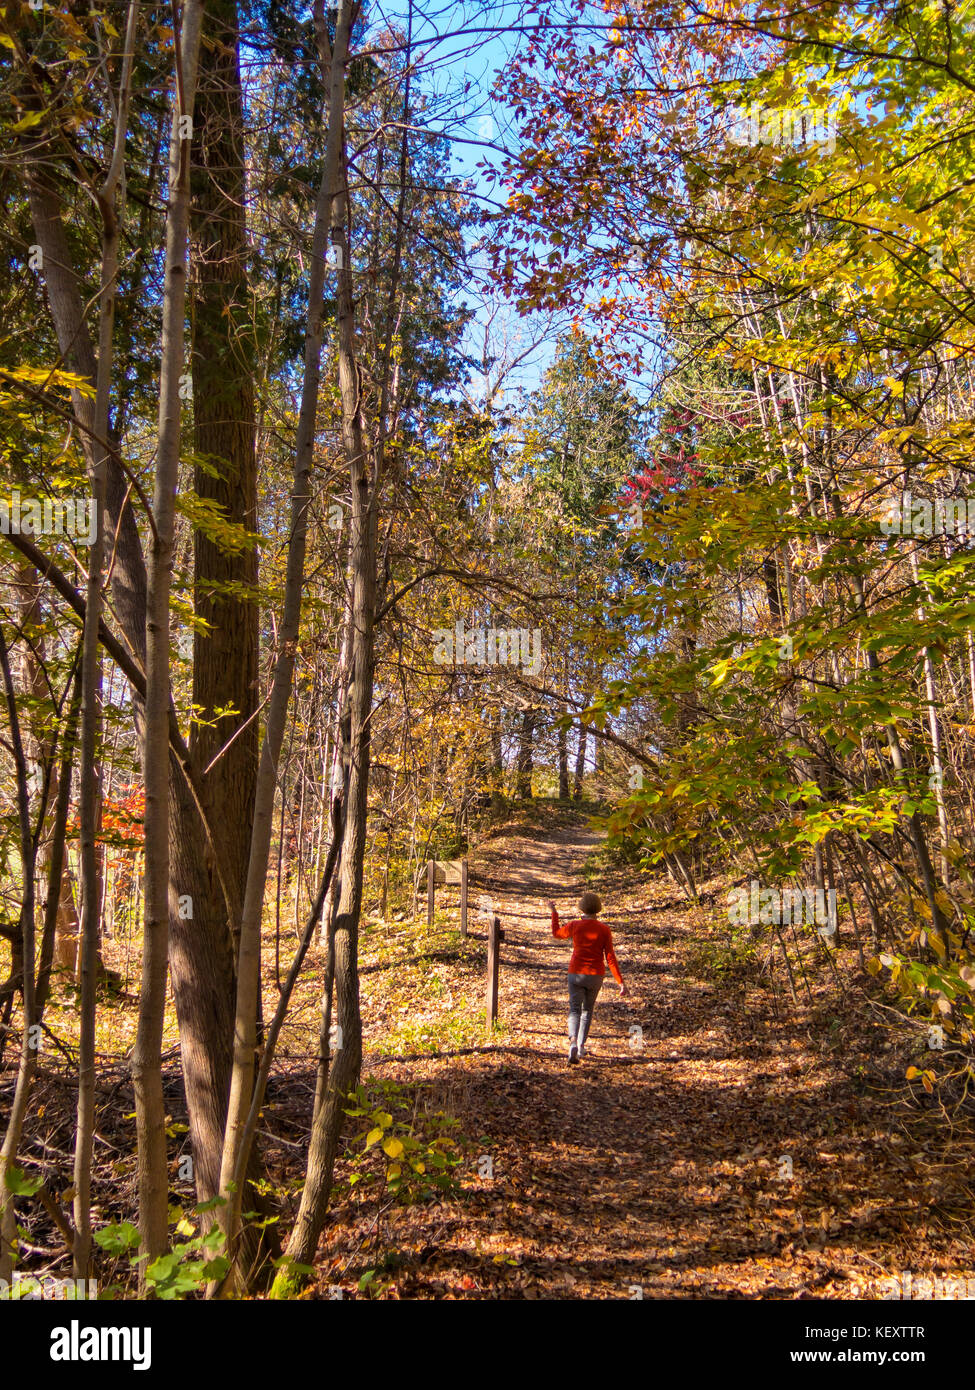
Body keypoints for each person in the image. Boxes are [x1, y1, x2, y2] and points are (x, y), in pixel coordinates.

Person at [548, 890, 626, 1065]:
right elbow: (610, 957)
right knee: (587, 1011)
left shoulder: (575, 925)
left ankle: (573, 1042)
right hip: (596, 975)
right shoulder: (604, 929)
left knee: (574, 1009)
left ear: (581, 907)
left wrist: (554, 913)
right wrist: (620, 982)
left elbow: (556, 933)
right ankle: (582, 1047)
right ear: (597, 909)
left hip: (576, 973)